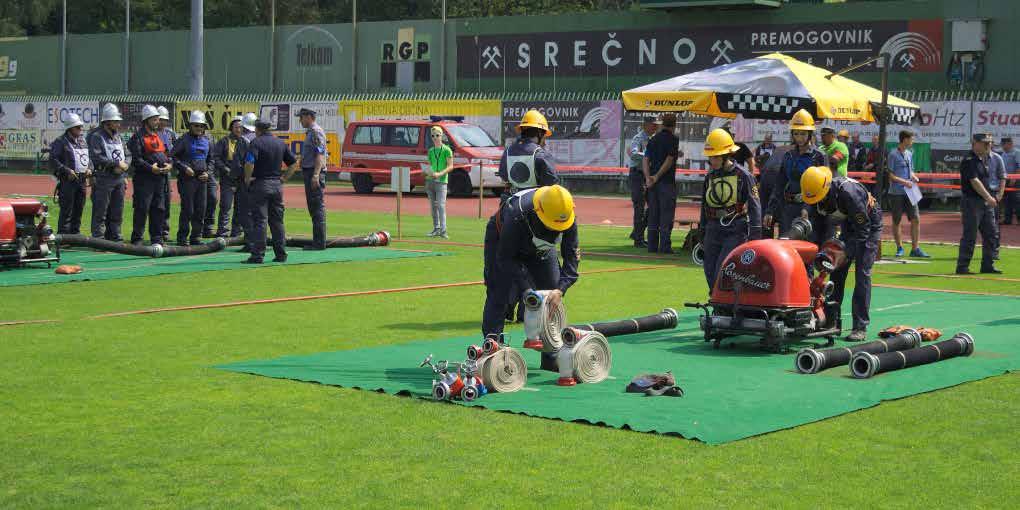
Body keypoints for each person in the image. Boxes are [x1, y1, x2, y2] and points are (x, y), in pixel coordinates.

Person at [481, 184, 579, 371]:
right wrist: (526, 289)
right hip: (502, 242)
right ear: (539, 211)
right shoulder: (517, 215)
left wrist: (561, 289)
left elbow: (572, 258)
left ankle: (551, 356)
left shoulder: (565, 215)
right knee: (499, 293)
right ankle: (492, 354)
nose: (556, 229)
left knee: (551, 295)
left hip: (541, 250)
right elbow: (506, 258)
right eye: (552, 225)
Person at [491, 109, 559, 323]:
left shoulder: (509, 151)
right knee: (536, 261)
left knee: (511, 260)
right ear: (539, 133)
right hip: (534, 213)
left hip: (508, 209)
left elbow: (503, 175)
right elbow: (552, 183)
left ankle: (506, 308)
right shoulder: (540, 154)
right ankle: (527, 310)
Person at [801, 166, 882, 342]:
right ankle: (831, 321)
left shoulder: (848, 194)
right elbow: (818, 228)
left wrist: (846, 253)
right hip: (847, 225)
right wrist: (824, 252)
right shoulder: (814, 194)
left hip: (868, 226)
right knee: (835, 271)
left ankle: (860, 327)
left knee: (862, 274)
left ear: (826, 188)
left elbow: (863, 230)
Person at [699, 128, 762, 290]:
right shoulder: (710, 176)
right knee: (709, 270)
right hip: (713, 228)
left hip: (735, 229)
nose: (712, 161)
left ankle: (725, 305)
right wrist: (702, 230)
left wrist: (755, 235)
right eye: (710, 157)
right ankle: (716, 302)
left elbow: (755, 206)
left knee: (724, 269)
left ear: (726, 155)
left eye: (715, 156)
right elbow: (704, 205)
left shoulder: (744, 176)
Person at [243, 115, 299, 264]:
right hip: (277, 185)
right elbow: (294, 164)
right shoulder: (280, 143)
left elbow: (249, 162)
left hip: (261, 184)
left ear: (257, 129)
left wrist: (247, 179)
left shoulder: (255, 143)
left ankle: (258, 255)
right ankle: (281, 254)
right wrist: (283, 179)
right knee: (277, 221)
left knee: (260, 221)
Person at [764, 109, 826, 238]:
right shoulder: (788, 156)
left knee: (807, 249)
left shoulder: (819, 156)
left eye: (803, 134)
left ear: (810, 134)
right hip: (788, 209)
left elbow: (822, 187)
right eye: (796, 134)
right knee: (785, 244)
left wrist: (807, 208)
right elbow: (779, 184)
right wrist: (770, 210)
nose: (799, 138)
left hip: (810, 211)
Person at [126, 105, 172, 245]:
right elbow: (137, 159)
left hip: (160, 179)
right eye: (155, 119)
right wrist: (150, 168)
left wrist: (170, 164)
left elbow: (167, 154)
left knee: (159, 209)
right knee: (142, 208)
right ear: (147, 120)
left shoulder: (159, 136)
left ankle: (156, 239)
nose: (158, 122)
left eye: (158, 119)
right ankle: (137, 239)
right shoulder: (137, 137)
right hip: (144, 180)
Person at [956, 133, 1002, 275]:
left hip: (983, 202)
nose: (988, 145)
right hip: (972, 202)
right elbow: (974, 181)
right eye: (985, 143)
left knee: (991, 234)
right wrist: (989, 197)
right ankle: (962, 267)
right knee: (970, 235)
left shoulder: (983, 159)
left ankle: (988, 265)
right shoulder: (969, 160)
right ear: (974, 143)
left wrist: (989, 198)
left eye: (989, 143)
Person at [87, 103, 129, 241]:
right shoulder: (97, 136)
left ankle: (115, 235)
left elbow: (127, 154)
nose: (118, 124)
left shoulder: (119, 137)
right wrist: (115, 164)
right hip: (104, 177)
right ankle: (99, 238)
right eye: (115, 121)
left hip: (119, 177)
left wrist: (125, 167)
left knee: (117, 209)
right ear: (107, 122)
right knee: (101, 210)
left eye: (118, 121)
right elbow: (97, 156)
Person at [170, 111, 213, 246]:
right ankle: (182, 237)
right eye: (196, 126)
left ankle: (196, 237)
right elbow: (172, 157)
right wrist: (184, 168)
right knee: (188, 209)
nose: (199, 128)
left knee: (201, 209)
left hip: (202, 180)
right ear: (190, 126)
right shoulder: (183, 140)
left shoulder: (207, 141)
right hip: (187, 180)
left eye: (201, 126)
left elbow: (212, 160)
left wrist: (209, 173)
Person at [886, 130, 930, 258]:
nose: (913, 141)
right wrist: (904, 182)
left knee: (916, 219)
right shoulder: (893, 154)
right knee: (897, 220)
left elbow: (910, 171)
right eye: (911, 139)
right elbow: (890, 175)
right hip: (896, 193)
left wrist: (914, 177)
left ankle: (915, 248)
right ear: (904, 139)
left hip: (910, 191)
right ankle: (899, 248)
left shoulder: (909, 154)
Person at [49, 113, 92, 235]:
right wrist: (66, 170)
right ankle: (64, 236)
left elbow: (89, 158)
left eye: (81, 126)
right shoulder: (60, 142)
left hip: (82, 181)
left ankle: (75, 233)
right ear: (70, 128)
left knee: (79, 208)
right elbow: (53, 160)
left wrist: (90, 168)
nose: (80, 129)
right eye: (77, 127)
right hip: (68, 181)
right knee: (67, 210)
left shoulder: (83, 141)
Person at [643, 113, 680, 253]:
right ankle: (665, 246)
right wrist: (657, 176)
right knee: (666, 215)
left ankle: (652, 246)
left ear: (662, 124)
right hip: (666, 182)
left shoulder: (654, 139)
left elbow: (646, 159)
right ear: (674, 125)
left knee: (653, 214)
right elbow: (670, 159)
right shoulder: (673, 139)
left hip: (652, 184)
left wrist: (648, 177)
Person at [295, 108, 329, 249]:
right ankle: (318, 241)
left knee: (316, 207)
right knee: (313, 207)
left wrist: (315, 174)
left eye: (301, 117)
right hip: (310, 171)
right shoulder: (311, 132)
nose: (300, 120)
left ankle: (319, 243)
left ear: (309, 117)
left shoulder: (315, 131)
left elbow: (320, 154)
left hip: (314, 173)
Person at [211, 116, 247, 237]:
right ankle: (222, 232)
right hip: (227, 179)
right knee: (226, 206)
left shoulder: (245, 142)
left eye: (240, 127)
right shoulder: (223, 141)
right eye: (236, 127)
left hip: (241, 179)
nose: (238, 129)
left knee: (240, 206)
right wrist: (225, 169)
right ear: (231, 128)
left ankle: (236, 232)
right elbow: (215, 157)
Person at [627, 117, 658, 248]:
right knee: (639, 207)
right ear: (646, 125)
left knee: (653, 206)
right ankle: (638, 239)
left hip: (646, 176)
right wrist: (648, 155)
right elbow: (633, 154)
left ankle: (637, 232)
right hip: (637, 175)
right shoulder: (638, 138)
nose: (655, 127)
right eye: (653, 125)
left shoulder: (653, 139)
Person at [234, 113, 258, 252]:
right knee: (258, 214)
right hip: (260, 181)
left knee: (244, 212)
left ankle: (250, 242)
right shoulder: (260, 139)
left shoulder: (243, 141)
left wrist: (235, 179)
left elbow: (238, 163)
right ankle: (258, 241)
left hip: (246, 181)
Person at [759, 142, 792, 239]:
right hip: (779, 177)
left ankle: (766, 245)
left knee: (766, 216)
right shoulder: (798, 152)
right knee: (784, 218)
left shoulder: (781, 148)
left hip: (766, 175)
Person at [425, 126, 453, 238]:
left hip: (441, 181)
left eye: (437, 135)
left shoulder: (447, 150)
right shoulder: (431, 151)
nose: (435, 138)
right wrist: (427, 171)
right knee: (433, 206)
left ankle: (443, 230)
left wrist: (440, 174)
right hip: (430, 180)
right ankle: (436, 228)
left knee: (441, 205)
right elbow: (430, 165)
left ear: (442, 136)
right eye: (433, 136)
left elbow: (451, 166)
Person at [157, 106, 178, 243]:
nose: (162, 122)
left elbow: (176, 152)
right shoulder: (150, 134)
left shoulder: (170, 134)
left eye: (164, 120)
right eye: (160, 119)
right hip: (153, 172)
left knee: (167, 202)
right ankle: (157, 232)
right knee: (155, 205)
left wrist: (171, 164)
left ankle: (165, 231)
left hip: (167, 173)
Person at [986, 142, 1006, 259]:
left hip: (993, 194)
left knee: (994, 226)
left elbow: (1003, 177)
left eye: (989, 143)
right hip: (978, 196)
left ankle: (994, 251)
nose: (988, 145)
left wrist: (1000, 194)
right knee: (973, 227)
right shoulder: (973, 159)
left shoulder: (998, 158)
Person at [999, 137, 1020, 225]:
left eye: (1004, 144)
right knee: (1007, 200)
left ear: (1010, 144)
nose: (1003, 146)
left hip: (1016, 180)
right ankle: (1007, 219)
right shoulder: (1003, 154)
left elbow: (1019, 167)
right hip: (1006, 179)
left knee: (1017, 200)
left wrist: (1014, 178)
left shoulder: (1017, 152)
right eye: (1002, 145)